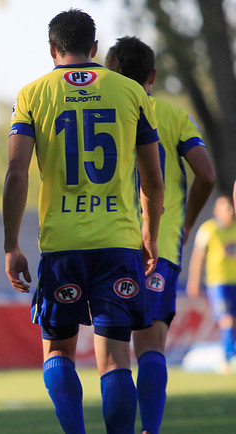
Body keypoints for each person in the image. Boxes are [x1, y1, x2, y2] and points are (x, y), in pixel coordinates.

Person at [2, 9, 164, 434]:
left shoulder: (32, 94)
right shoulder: (131, 92)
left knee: (57, 351)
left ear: (53, 49)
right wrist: (150, 232)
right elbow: (153, 177)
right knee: (115, 358)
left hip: (63, 246)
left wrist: (11, 244)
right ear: (95, 48)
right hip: (118, 243)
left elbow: (17, 172)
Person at [105, 36, 215, 434]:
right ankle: (150, 428)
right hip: (161, 247)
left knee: (113, 356)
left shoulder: (104, 111)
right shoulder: (171, 115)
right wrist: (185, 222)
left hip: (111, 243)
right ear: (152, 75)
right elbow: (207, 174)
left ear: (110, 72)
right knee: (150, 347)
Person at [186, 194, 236, 374]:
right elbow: (198, 257)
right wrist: (194, 281)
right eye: (223, 208)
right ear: (216, 211)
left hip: (235, 282)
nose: (228, 212)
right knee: (226, 320)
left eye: (230, 208)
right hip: (218, 283)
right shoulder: (208, 230)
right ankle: (229, 358)